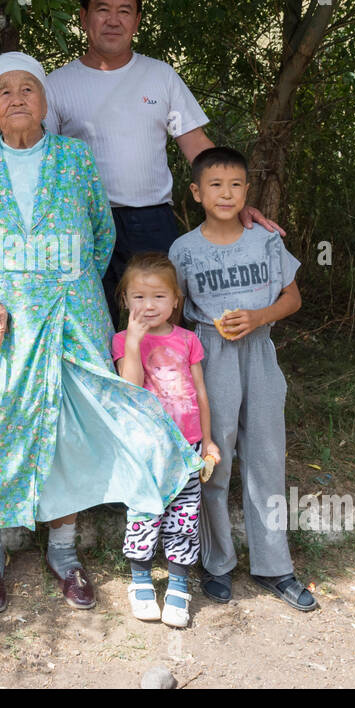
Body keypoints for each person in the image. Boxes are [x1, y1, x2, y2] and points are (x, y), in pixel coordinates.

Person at [0, 52, 202, 615]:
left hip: (72, 321)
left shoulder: (75, 160)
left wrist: (65, 289)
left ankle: (63, 550)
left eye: (29, 87)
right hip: (0, 327)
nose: (19, 97)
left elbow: (101, 236)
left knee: (68, 434)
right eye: (5, 91)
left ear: (46, 102)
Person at [43, 0, 277, 317]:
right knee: (90, 322)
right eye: (102, 9)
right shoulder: (56, 84)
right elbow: (39, 157)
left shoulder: (160, 76)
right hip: (82, 220)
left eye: (124, 11)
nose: (113, 20)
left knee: (164, 323)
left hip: (150, 220)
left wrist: (235, 201)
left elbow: (195, 143)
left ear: (136, 21)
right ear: (83, 17)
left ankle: (167, 375)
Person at [168, 147, 317, 612]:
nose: (226, 193)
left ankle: (275, 566)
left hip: (258, 349)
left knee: (267, 456)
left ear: (247, 191)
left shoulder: (266, 242)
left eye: (235, 185)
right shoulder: (184, 249)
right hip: (208, 354)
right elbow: (171, 311)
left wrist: (258, 317)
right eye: (215, 185)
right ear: (196, 193)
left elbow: (292, 298)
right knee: (215, 457)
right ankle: (217, 563)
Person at [111, 252, 220, 628]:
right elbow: (128, 388)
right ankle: (140, 580)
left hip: (188, 448)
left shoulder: (188, 340)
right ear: (125, 301)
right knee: (144, 513)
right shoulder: (123, 340)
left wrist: (208, 441)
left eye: (159, 296)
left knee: (184, 518)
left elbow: (201, 393)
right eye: (138, 297)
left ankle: (177, 583)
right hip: (146, 449)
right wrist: (134, 341)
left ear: (176, 300)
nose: (148, 305)